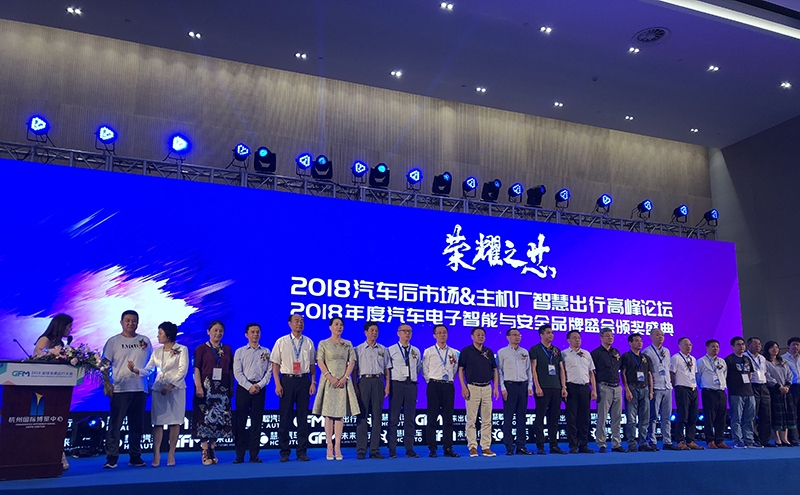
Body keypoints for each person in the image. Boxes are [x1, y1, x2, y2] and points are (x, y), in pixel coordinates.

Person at [128, 321, 188, 467]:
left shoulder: (182, 349)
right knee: (158, 422)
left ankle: (171, 453)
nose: (158, 336)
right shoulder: (157, 352)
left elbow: (182, 370)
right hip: (159, 389)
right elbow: (148, 369)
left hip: (176, 389)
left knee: (175, 421)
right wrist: (136, 370)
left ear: (168, 334)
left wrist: (171, 385)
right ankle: (156, 454)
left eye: (160, 333)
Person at [102, 310, 153, 469]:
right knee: (115, 425)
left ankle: (135, 456)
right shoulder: (113, 341)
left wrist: (151, 384)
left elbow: (151, 364)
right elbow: (104, 364)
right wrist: (107, 383)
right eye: (128, 320)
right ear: (121, 322)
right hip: (119, 389)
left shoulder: (145, 341)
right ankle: (112, 458)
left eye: (134, 320)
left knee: (137, 425)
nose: (131, 323)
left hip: (140, 388)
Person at [312, 317, 360, 461]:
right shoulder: (323, 343)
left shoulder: (348, 344)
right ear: (330, 327)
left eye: (341, 325)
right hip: (328, 381)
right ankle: (329, 446)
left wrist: (345, 377)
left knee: (339, 414)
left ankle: (337, 446)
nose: (339, 327)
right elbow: (320, 361)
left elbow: (352, 362)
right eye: (336, 324)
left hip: (343, 381)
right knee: (328, 414)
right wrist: (330, 377)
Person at [271, 314, 317, 462]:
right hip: (287, 381)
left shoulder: (308, 342)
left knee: (303, 418)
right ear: (289, 323)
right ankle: (284, 452)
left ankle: (302, 452)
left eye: (302, 321)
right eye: (296, 321)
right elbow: (275, 365)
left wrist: (313, 382)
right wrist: (277, 384)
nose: (300, 323)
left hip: (303, 381)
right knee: (285, 417)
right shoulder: (281, 341)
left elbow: (312, 366)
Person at [33, 314, 74, 470]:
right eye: (69, 326)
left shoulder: (61, 343)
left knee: (56, 423)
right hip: (42, 388)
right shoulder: (45, 340)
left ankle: (57, 455)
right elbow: (37, 360)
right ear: (61, 326)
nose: (71, 329)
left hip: (57, 387)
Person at [193, 320, 234, 465]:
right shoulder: (201, 349)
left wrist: (231, 387)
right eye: (215, 330)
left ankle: (212, 448)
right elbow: (197, 368)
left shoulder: (227, 349)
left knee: (219, 418)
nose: (218, 333)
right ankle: (205, 450)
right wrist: (198, 386)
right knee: (204, 418)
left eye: (220, 331)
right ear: (208, 332)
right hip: (206, 387)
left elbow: (230, 369)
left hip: (222, 388)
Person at [232, 323, 272, 464]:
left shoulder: (266, 351)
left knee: (257, 422)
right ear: (246, 335)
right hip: (244, 389)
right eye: (252, 332)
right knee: (240, 422)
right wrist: (249, 386)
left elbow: (269, 372)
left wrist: (259, 385)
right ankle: (240, 455)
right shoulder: (240, 352)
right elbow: (237, 372)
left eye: (257, 332)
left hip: (259, 389)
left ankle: (254, 455)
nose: (255, 334)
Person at [458, 326, 500, 457]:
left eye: (483, 335)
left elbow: (494, 370)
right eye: (478, 334)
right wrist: (463, 387)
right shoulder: (466, 351)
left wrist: (496, 387)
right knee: (471, 419)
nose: (481, 337)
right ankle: (472, 446)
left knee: (487, 419)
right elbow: (461, 370)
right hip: (472, 387)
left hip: (487, 387)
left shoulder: (489, 351)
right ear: (472, 337)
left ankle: (486, 447)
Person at [354, 321, 392, 460]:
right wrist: (354, 387)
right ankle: (361, 450)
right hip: (363, 381)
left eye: (376, 330)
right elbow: (354, 371)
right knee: (362, 416)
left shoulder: (383, 349)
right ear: (366, 332)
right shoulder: (358, 349)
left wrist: (387, 385)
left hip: (378, 382)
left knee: (377, 416)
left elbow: (387, 369)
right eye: (372, 330)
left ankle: (375, 450)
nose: (374, 333)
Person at [422, 324, 460, 458]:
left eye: (444, 332)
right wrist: (431, 381)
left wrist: (448, 380)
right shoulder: (429, 351)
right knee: (432, 418)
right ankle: (432, 448)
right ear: (434, 335)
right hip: (434, 385)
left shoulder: (453, 352)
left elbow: (455, 369)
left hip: (448, 386)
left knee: (448, 418)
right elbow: (425, 369)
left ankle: (448, 448)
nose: (442, 335)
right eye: (439, 333)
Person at [530, 324, 568, 455]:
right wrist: (537, 386)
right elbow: (533, 369)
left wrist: (563, 386)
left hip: (556, 387)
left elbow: (561, 369)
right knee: (540, 417)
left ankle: (554, 445)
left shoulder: (556, 350)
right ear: (541, 335)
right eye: (548, 333)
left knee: (554, 418)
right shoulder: (535, 349)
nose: (551, 335)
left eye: (552, 333)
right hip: (543, 387)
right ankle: (540, 445)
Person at [387, 323, 422, 458]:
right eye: (404, 331)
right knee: (394, 418)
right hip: (396, 385)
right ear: (398, 333)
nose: (407, 333)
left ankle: (409, 448)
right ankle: (392, 449)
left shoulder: (416, 351)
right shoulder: (391, 350)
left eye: (409, 331)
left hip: (411, 385)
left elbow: (418, 368)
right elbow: (387, 369)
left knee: (410, 418)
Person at [496, 328, 533, 455]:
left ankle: (521, 446)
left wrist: (530, 386)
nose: (517, 337)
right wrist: (502, 388)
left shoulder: (524, 352)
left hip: (523, 386)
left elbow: (529, 370)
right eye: (514, 335)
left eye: (518, 335)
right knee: (508, 417)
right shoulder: (502, 352)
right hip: (509, 386)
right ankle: (509, 446)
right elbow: (499, 371)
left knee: (522, 417)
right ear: (508, 337)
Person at [561, 330, 597, 454]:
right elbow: (562, 373)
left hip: (585, 388)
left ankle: (583, 444)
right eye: (574, 338)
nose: (577, 340)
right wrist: (564, 387)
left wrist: (594, 390)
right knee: (572, 417)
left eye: (579, 338)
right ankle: (573, 445)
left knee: (584, 417)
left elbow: (591, 373)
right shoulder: (564, 354)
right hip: (571, 387)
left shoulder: (586, 354)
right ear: (568, 340)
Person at [591, 328, 625, 453]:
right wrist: (595, 388)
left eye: (612, 336)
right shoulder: (596, 353)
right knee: (602, 417)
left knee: (617, 417)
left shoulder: (616, 352)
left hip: (617, 386)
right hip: (604, 386)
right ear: (601, 337)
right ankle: (601, 443)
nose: (610, 338)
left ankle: (616, 443)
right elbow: (591, 372)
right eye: (607, 336)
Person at [620, 333, 655, 452]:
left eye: (640, 340)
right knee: (631, 419)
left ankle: (643, 443)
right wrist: (627, 390)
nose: (639, 343)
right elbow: (623, 373)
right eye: (636, 340)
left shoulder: (645, 357)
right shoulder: (626, 356)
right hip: (632, 388)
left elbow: (649, 374)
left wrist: (651, 390)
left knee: (645, 418)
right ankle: (631, 443)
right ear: (630, 343)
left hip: (644, 388)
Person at [669, 337, 703, 450]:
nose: (688, 346)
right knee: (683, 415)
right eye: (686, 344)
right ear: (679, 346)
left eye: (690, 344)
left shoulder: (693, 359)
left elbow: (694, 374)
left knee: (693, 415)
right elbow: (672, 373)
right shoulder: (676, 358)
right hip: (682, 388)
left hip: (693, 388)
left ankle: (690, 440)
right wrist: (676, 387)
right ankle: (680, 440)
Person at [643, 328, 675, 450]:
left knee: (667, 417)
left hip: (667, 387)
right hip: (655, 387)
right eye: (657, 335)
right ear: (651, 336)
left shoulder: (667, 351)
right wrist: (650, 389)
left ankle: (667, 441)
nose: (660, 337)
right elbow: (647, 372)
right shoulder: (647, 352)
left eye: (662, 335)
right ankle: (652, 441)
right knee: (653, 416)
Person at [726, 336, 760, 448]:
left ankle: (749, 440)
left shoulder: (747, 359)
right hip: (735, 392)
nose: (741, 346)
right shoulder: (729, 360)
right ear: (732, 347)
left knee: (750, 418)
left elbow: (750, 374)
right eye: (738, 344)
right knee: (736, 418)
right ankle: (737, 440)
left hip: (749, 392)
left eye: (743, 344)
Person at [696, 339, 729, 449]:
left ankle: (720, 440)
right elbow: (698, 377)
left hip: (721, 391)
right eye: (713, 346)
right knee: (709, 417)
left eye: (717, 347)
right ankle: (710, 440)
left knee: (721, 417)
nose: (715, 349)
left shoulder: (722, 361)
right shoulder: (701, 361)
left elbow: (724, 375)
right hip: (709, 391)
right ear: (707, 348)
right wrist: (703, 386)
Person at [763, 341, 797, 446]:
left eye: (777, 347)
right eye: (772, 348)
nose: (775, 350)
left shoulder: (782, 361)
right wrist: (778, 386)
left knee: (786, 414)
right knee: (776, 415)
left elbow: (789, 374)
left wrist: (787, 385)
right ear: (768, 349)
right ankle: (777, 439)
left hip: (785, 390)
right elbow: (767, 376)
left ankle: (785, 438)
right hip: (774, 390)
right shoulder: (766, 362)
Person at [746, 337, 773, 447]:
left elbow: (765, 372)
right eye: (755, 344)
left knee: (766, 414)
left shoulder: (762, 358)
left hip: (763, 386)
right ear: (749, 345)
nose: (758, 346)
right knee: (752, 413)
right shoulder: (745, 357)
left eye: (759, 344)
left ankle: (765, 439)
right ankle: (754, 438)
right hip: (752, 386)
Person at [781, 337, 800, 444]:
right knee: (792, 413)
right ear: (788, 346)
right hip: (791, 387)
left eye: (798, 345)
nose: (796, 347)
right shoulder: (783, 359)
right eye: (794, 344)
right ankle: (793, 438)